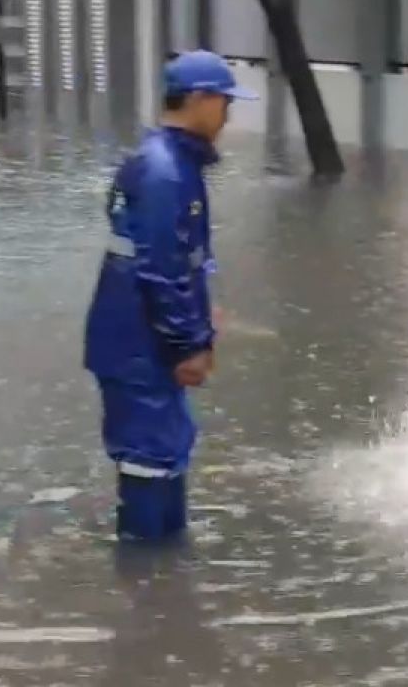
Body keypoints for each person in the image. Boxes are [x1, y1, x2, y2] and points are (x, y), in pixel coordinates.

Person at [84, 50, 257, 542]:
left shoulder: (167, 162)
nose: (227, 116)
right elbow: (160, 270)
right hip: (140, 344)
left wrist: (203, 309)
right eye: (224, 103)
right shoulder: (165, 172)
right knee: (149, 459)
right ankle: (146, 593)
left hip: (138, 335)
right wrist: (189, 344)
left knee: (164, 452)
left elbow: (179, 257)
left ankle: (166, 586)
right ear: (200, 100)